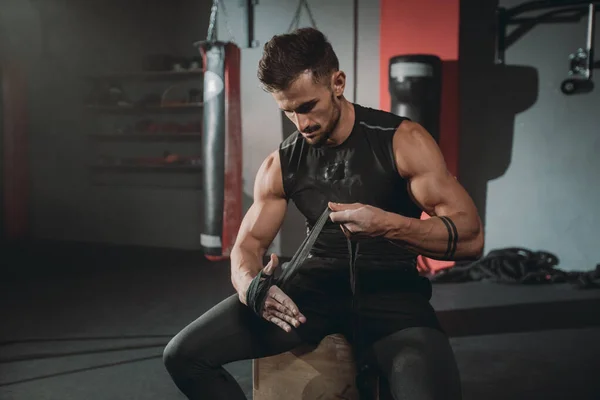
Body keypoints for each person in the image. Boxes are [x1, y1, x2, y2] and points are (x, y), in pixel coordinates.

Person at [163, 27, 484, 400]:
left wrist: (387, 226)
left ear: (337, 83)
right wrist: (251, 288)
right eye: (288, 112)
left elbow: (472, 237)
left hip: (392, 297)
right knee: (184, 355)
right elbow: (247, 243)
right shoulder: (283, 161)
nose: (302, 124)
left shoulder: (402, 141)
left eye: (307, 107)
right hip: (310, 296)